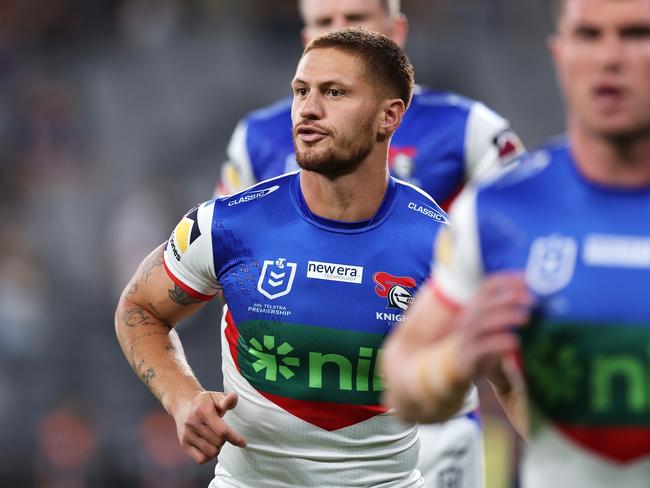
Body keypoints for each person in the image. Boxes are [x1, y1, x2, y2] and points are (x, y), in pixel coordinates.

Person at [115, 28, 457, 487]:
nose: (309, 109)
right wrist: (182, 398)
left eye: (334, 92)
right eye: (301, 91)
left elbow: (510, 374)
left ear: (389, 116)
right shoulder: (226, 225)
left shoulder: (443, 244)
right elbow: (139, 307)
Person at [381, 0, 650, 487]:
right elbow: (403, 371)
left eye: (636, 34)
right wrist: (458, 358)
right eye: (589, 35)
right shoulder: (500, 211)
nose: (611, 57)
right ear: (560, 52)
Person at [217, 0, 524, 214]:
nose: (338, 35)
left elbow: (520, 235)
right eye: (324, 22)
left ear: (396, 31)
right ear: (307, 39)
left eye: (355, 19)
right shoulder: (256, 137)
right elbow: (225, 260)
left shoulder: (472, 128)